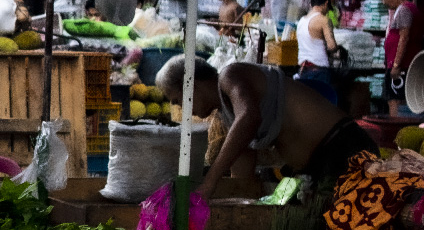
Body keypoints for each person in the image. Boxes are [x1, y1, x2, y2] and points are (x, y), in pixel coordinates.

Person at [155, 56, 378, 200]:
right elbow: (242, 179)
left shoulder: (230, 76)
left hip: (343, 149)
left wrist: (211, 179)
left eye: (178, 100)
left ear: (191, 84)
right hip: (320, 167)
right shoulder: (227, 114)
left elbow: (249, 117)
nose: (181, 108)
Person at [381, 0, 424, 116]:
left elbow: (404, 38)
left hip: (402, 65)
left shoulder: (405, 9)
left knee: (395, 100)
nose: (383, 2)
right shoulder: (403, 9)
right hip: (403, 64)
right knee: (399, 100)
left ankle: (396, 131)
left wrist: (396, 64)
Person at [296, 0, 338, 85]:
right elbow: (331, 46)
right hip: (319, 69)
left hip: (303, 69)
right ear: (326, 3)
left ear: (311, 4)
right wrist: (337, 49)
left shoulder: (301, 21)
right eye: (328, 8)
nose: (327, 11)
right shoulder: (323, 20)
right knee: (322, 98)